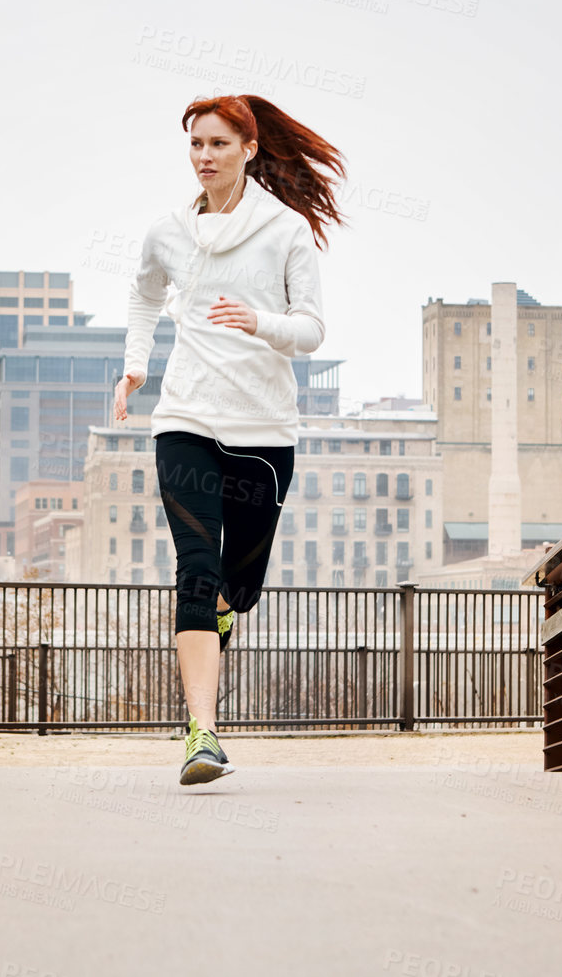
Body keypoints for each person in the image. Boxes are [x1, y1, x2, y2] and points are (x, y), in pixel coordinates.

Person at [114, 94, 346, 785]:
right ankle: (202, 734)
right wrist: (135, 363)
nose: (204, 156)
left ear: (248, 148)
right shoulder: (168, 231)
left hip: (263, 433)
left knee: (236, 585)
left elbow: (310, 330)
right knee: (196, 567)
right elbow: (143, 294)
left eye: (217, 143)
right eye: (194, 145)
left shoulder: (284, 230)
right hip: (184, 419)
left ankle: (223, 619)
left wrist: (258, 321)